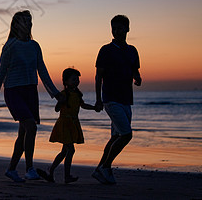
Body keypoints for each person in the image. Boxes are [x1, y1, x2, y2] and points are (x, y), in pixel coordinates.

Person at [0, 10, 65, 183]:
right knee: (31, 127)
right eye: (25, 22)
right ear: (15, 25)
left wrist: (55, 93)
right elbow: (1, 71)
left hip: (31, 91)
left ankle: (11, 169)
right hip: (13, 91)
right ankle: (30, 169)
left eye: (30, 22)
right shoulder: (10, 46)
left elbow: (43, 71)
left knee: (23, 134)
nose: (28, 25)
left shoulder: (35, 46)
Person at [92, 15, 142, 184]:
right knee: (127, 135)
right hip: (110, 99)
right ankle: (106, 166)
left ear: (127, 29)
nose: (117, 31)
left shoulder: (132, 50)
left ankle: (100, 170)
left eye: (120, 28)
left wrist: (137, 77)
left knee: (116, 137)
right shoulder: (106, 50)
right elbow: (98, 76)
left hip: (126, 99)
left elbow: (134, 70)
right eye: (114, 28)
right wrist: (98, 99)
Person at [37, 68, 98, 184]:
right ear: (66, 81)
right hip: (64, 124)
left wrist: (94, 108)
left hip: (73, 124)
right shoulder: (63, 94)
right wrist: (61, 101)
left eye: (77, 79)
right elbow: (56, 109)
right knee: (70, 150)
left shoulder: (77, 94)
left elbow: (83, 105)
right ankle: (66, 176)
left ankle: (51, 170)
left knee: (65, 151)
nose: (76, 81)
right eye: (73, 79)